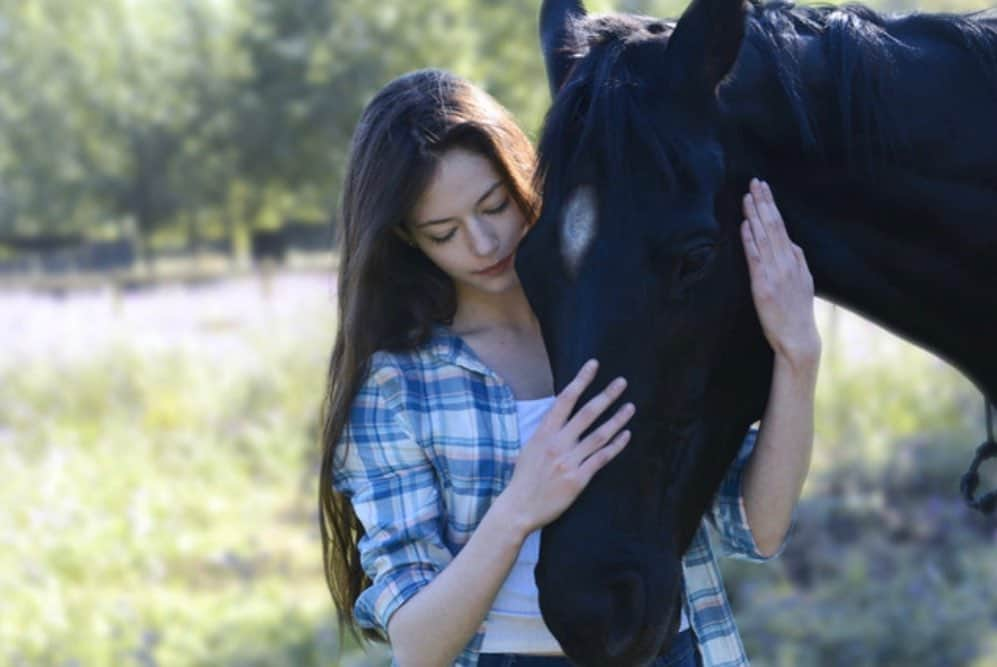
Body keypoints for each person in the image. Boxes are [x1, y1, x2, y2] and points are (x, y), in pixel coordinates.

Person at [318, 68, 821, 667]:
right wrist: (521, 504)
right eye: (444, 232)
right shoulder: (398, 386)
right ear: (407, 240)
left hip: (668, 649)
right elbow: (418, 644)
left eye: (494, 205)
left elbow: (755, 526)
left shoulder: (621, 321)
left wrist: (797, 356)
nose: (482, 244)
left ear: (522, 173)